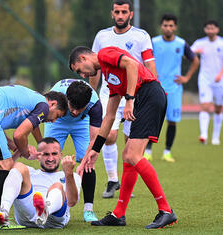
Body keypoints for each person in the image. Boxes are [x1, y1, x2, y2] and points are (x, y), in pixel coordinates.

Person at [69, 46, 177, 229]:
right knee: (128, 157)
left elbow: (132, 65)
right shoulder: (111, 79)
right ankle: (119, 214)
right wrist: (95, 150)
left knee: (132, 155)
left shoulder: (104, 54)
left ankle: (166, 211)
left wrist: (129, 99)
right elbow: (109, 117)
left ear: (82, 58)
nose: (84, 76)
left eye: (79, 70)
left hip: (149, 95)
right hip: (144, 99)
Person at [0, 85, 68, 230]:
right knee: (6, 164)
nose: (53, 121)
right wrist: (26, 152)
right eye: (57, 115)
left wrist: (27, 145)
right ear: (52, 104)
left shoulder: (33, 101)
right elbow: (19, 134)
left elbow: (30, 127)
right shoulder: (43, 106)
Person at [89, 0, 157, 198]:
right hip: (109, 93)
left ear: (130, 14)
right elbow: (94, 67)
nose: (120, 15)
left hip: (133, 95)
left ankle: (128, 185)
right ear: (112, 13)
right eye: (117, 12)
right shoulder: (102, 36)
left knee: (130, 142)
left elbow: (149, 64)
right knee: (108, 135)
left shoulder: (141, 36)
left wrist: (153, 89)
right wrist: (92, 93)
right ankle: (112, 180)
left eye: (124, 12)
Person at [44, 79, 102, 222]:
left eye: (79, 108)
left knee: (88, 161)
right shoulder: (55, 97)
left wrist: (83, 162)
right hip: (57, 120)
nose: (75, 112)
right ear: (66, 99)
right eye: (72, 107)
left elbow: (95, 139)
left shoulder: (94, 105)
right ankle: (47, 205)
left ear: (87, 104)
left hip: (82, 123)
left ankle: (88, 210)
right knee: (49, 159)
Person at [0, 137, 82, 229]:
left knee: (57, 186)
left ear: (60, 155)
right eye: (46, 154)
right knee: (18, 166)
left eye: (54, 154)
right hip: (26, 217)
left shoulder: (72, 176)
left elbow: (72, 202)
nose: (50, 158)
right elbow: (3, 168)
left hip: (54, 219)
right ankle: (3, 211)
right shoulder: (30, 173)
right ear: (38, 156)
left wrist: (68, 172)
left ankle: (45, 210)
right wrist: (20, 152)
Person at [146, 14, 200, 162]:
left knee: (172, 120)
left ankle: (167, 152)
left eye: (171, 25)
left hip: (174, 88)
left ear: (175, 27)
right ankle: (148, 151)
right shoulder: (154, 42)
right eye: (165, 25)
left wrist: (186, 77)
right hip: (156, 87)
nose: (168, 28)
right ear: (161, 26)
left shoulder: (181, 44)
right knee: (153, 119)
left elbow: (195, 60)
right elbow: (145, 60)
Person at [191, 20, 223, 145]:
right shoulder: (200, 42)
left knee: (218, 108)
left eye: (212, 28)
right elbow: (189, 53)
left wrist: (220, 74)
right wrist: (195, 52)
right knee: (205, 105)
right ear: (205, 30)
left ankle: (215, 137)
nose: (210, 31)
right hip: (205, 79)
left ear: (217, 30)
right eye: (208, 28)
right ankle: (203, 135)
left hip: (220, 80)